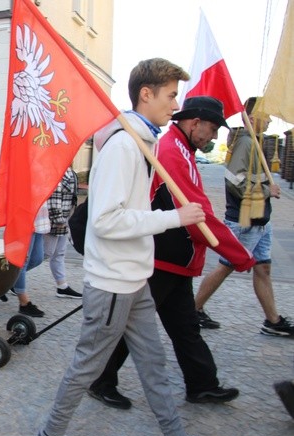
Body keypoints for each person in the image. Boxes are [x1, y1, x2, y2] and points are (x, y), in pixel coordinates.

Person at [33, 58, 236, 436]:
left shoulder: (142, 141)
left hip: (135, 278)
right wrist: (173, 218)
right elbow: (106, 221)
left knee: (153, 361)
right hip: (112, 284)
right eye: (171, 94)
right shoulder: (125, 146)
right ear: (147, 93)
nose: (175, 103)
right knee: (88, 363)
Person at [87, 96, 255, 410]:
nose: (214, 136)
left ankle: (202, 383)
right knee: (130, 325)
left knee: (185, 325)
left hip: (175, 260)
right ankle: (100, 380)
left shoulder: (181, 149)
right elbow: (196, 215)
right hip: (162, 258)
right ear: (196, 123)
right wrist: (239, 253)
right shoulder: (171, 151)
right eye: (213, 128)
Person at [194, 97, 293, 336]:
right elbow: (235, 182)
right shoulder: (246, 144)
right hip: (244, 220)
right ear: (250, 118)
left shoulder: (254, 143)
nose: (269, 120)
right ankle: (193, 311)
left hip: (260, 220)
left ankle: (272, 321)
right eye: (264, 116)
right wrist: (269, 190)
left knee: (263, 269)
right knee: (226, 267)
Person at [3, 204, 49, 318]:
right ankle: (24, 303)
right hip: (26, 216)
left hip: (39, 218)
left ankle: (6, 281)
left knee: (37, 258)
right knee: (22, 261)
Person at [44, 167, 82, 299]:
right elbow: (53, 197)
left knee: (59, 253)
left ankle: (62, 286)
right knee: (44, 253)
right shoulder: (56, 169)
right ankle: (15, 279)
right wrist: (58, 219)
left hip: (65, 218)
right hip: (56, 220)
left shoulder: (69, 170)